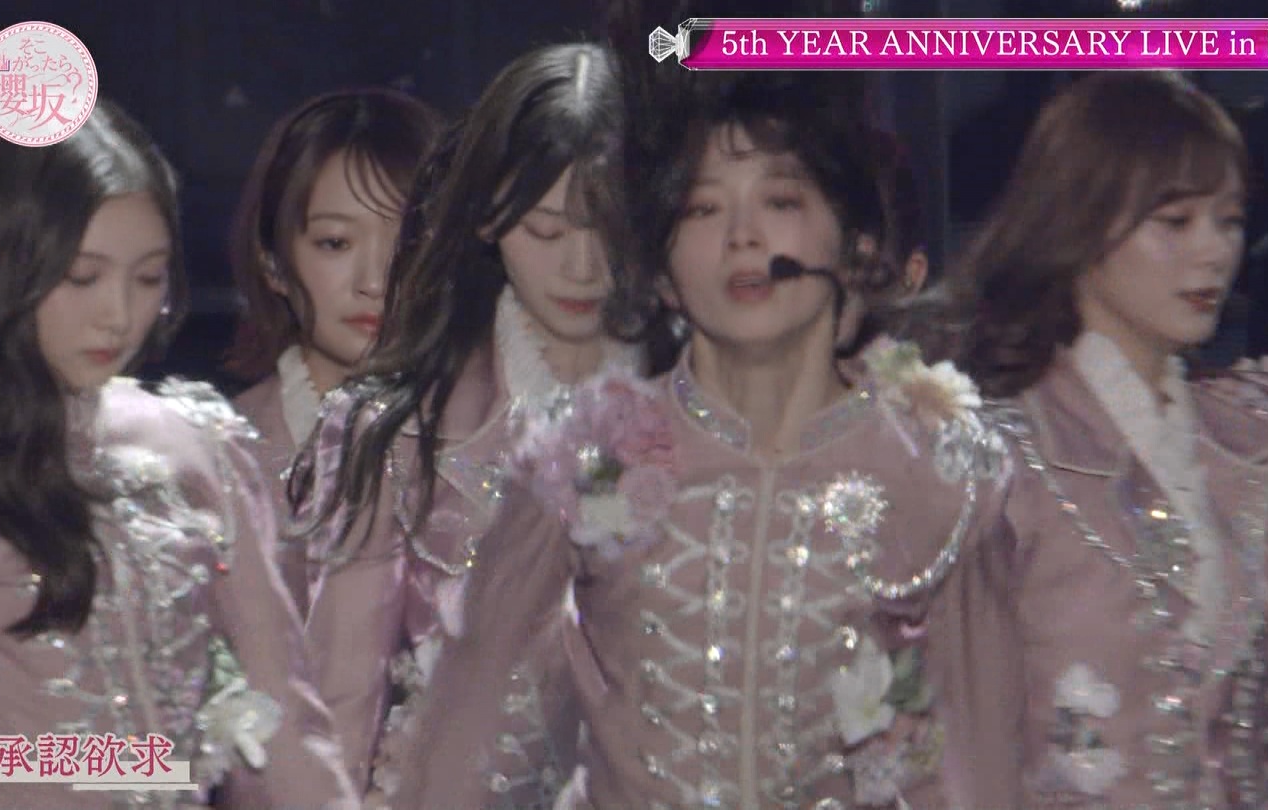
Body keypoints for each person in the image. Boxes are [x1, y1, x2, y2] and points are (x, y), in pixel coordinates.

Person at [393, 67, 1021, 809]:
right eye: (702, 208)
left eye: (780, 201)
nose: (742, 236)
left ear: (855, 246)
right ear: (661, 270)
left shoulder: (941, 474)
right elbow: (465, 739)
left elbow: (983, 768)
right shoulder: (590, 456)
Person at [945, 71, 1268, 806]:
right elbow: (955, 752)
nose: (1214, 252)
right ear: (1081, 224)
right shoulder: (995, 457)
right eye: (1176, 221)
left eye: (1230, 221)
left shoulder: (1263, 449)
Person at [0, 101, 357, 808]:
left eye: (149, 277)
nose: (119, 315)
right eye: (83, 277)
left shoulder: (197, 447)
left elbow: (283, 710)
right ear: (3, 265)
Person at [292, 42, 641, 807]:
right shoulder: (395, 432)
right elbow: (340, 710)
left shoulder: (707, 407)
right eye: (545, 230)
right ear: (487, 217)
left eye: (610, 228)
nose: (583, 266)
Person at [226, 88, 442, 615]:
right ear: (273, 262)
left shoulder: (500, 440)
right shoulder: (225, 457)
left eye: (409, 245)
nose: (375, 282)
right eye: (336, 243)